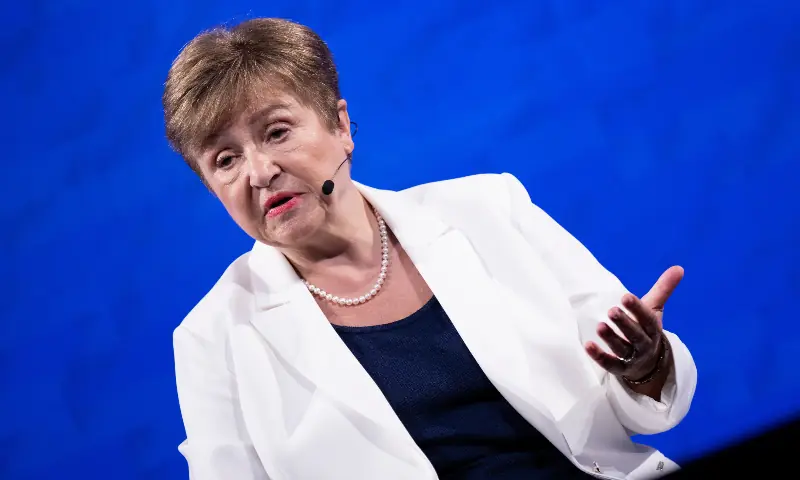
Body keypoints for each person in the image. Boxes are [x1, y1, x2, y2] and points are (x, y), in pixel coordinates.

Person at [164, 18, 697, 480]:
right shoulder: (213, 338)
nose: (259, 172)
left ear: (341, 126)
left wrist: (645, 369)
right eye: (225, 160)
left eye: (277, 132)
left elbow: (639, 402)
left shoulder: (490, 208)